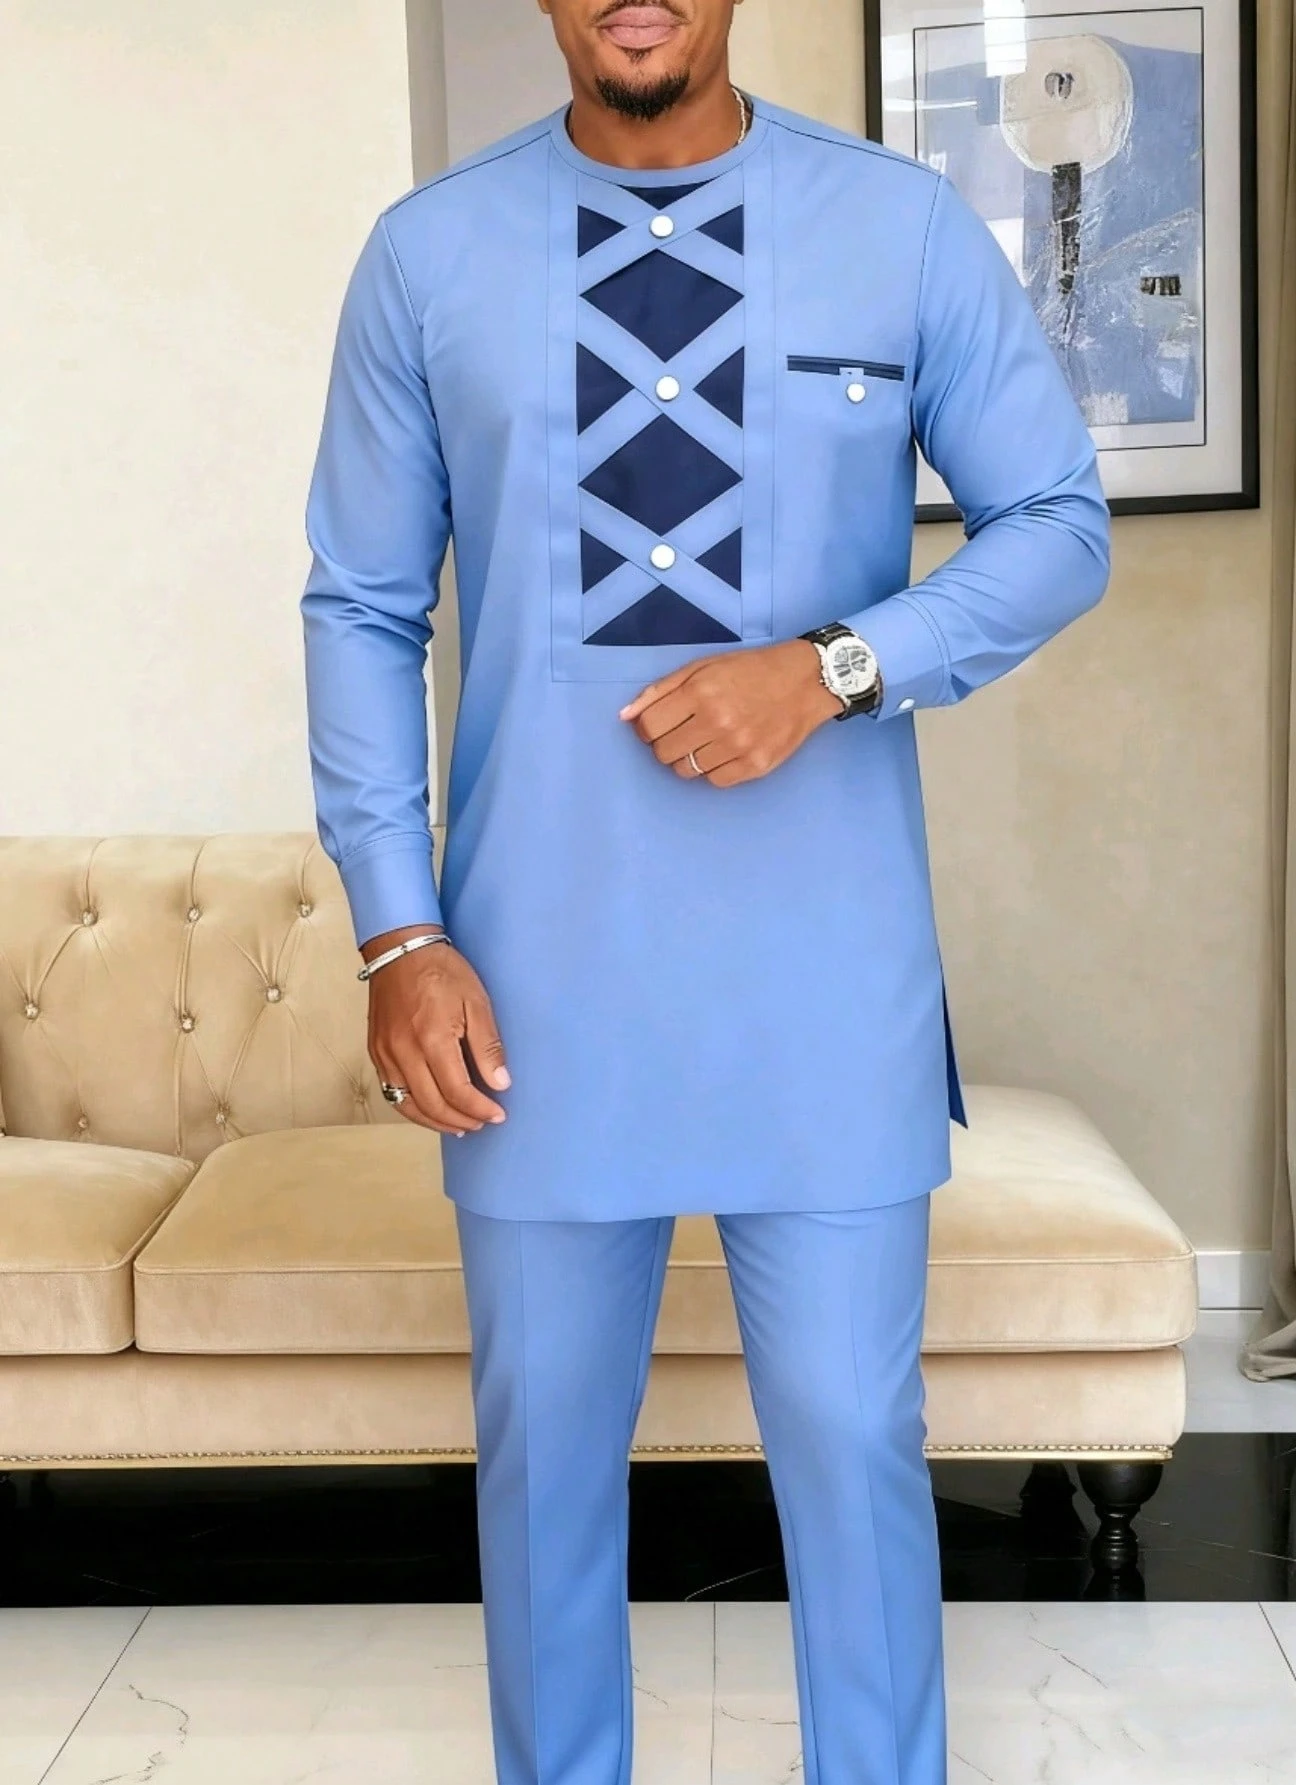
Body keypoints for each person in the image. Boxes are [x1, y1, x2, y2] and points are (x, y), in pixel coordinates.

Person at [300, 2, 1111, 1779]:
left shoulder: (898, 228)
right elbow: (360, 605)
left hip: (825, 980)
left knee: (851, 1445)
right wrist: (397, 928)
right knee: (543, 1467)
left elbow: (1058, 521)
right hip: (528, 982)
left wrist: (831, 668)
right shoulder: (428, 258)